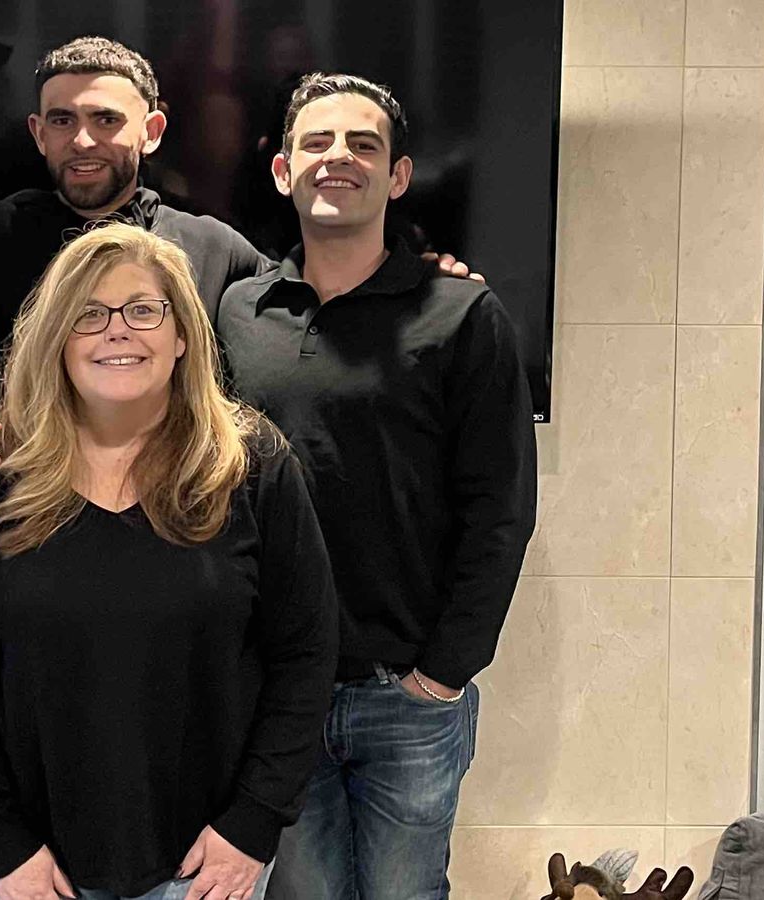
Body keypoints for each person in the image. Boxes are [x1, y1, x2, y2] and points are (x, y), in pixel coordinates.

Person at [0, 35, 477, 420]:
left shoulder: (218, 250)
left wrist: (421, 277)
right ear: (37, 134)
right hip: (10, 537)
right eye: (63, 121)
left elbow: (314, 305)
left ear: (152, 130)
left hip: (173, 536)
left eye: (106, 120)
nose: (84, 141)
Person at [0, 223, 338, 900]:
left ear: (183, 335)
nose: (117, 331)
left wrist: (252, 825)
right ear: (57, 338)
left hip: (206, 870)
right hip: (37, 874)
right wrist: (2, 846)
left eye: (143, 310)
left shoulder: (253, 468)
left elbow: (305, 655)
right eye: (89, 314)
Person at [217, 73, 537, 900]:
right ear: (283, 171)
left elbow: (500, 508)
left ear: (397, 177)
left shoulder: (461, 313)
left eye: (363, 145)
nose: (339, 158)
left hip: (406, 694)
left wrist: (443, 674)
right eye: (317, 142)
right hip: (272, 690)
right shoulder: (236, 314)